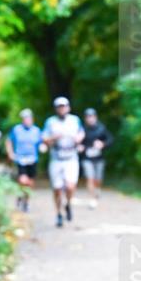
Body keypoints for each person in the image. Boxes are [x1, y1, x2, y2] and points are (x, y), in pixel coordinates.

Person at [42, 97, 84, 228]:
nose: (62, 109)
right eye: (59, 107)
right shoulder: (50, 122)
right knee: (57, 189)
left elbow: (81, 133)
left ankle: (68, 203)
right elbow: (44, 138)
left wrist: (78, 139)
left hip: (71, 158)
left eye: (64, 106)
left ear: (68, 107)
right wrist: (54, 137)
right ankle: (58, 214)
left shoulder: (75, 120)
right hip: (56, 159)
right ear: (56, 109)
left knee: (70, 186)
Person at [4, 108, 42, 212]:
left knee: (30, 183)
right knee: (23, 180)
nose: (27, 120)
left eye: (29, 118)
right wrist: (10, 153)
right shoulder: (16, 129)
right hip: (20, 159)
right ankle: (20, 195)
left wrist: (43, 147)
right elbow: (8, 141)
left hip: (33, 159)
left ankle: (26, 201)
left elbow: (41, 142)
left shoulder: (36, 130)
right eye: (25, 118)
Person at [78, 108, 113, 209]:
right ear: (85, 119)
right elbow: (77, 142)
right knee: (90, 178)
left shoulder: (101, 128)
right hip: (87, 158)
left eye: (91, 117)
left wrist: (103, 144)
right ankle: (92, 199)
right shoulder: (82, 130)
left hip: (99, 158)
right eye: (88, 117)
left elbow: (110, 139)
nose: (90, 119)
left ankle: (97, 190)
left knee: (98, 179)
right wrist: (80, 147)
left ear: (95, 117)